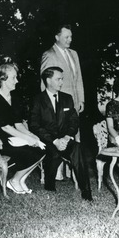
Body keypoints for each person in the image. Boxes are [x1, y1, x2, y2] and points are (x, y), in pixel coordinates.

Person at [30, 66, 93, 201]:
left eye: (62, 79)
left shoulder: (67, 98)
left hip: (65, 139)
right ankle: (50, 186)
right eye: (58, 79)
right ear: (48, 80)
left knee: (77, 148)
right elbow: (34, 125)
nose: (61, 82)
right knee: (53, 153)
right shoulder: (38, 100)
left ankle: (86, 192)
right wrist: (54, 141)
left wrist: (66, 137)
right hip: (47, 141)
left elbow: (74, 122)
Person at [0, 63, 45, 194]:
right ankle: (13, 181)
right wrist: (27, 138)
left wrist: (32, 136)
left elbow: (18, 124)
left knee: (41, 150)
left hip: (13, 137)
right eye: (13, 78)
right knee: (30, 152)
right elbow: (5, 127)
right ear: (2, 79)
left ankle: (20, 180)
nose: (17, 81)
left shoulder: (15, 99)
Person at [40, 24, 84, 180]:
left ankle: (74, 172)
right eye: (66, 37)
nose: (70, 40)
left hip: (73, 103)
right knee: (58, 135)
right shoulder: (49, 55)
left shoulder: (74, 54)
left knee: (73, 135)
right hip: (57, 104)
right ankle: (56, 173)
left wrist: (81, 100)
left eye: (71, 36)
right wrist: (46, 104)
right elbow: (45, 81)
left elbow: (78, 79)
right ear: (57, 37)